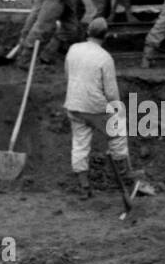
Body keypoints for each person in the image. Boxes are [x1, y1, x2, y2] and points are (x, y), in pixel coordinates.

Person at [64, 17, 155, 200]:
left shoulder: (73, 49)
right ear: (105, 36)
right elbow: (111, 92)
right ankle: (125, 175)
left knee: (80, 144)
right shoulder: (105, 58)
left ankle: (84, 187)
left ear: (88, 32)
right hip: (95, 106)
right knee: (118, 133)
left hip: (73, 104)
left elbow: (67, 74)